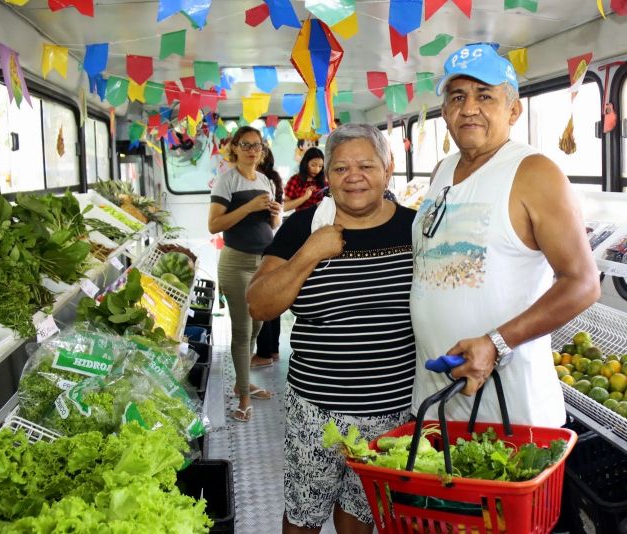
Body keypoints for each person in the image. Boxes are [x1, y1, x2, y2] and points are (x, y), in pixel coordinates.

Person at [410, 43, 600, 427]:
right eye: (457, 96)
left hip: (510, 409)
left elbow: (583, 283)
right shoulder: (441, 171)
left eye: (485, 96)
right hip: (437, 397)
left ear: (513, 109)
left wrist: (496, 343)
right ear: (444, 111)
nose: (469, 108)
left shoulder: (534, 173)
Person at [247, 123, 416, 534]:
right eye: (340, 168)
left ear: (388, 168)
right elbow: (259, 302)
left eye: (365, 165)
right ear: (328, 176)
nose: (353, 176)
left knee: (362, 512)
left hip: (391, 409)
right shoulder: (302, 228)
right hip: (315, 408)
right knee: (304, 515)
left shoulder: (417, 228)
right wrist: (310, 252)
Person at [208, 126, 281, 422]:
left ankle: (242, 381)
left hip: (263, 263)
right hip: (236, 263)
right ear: (235, 148)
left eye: (257, 145)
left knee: (257, 327)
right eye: (246, 145)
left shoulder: (265, 180)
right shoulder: (226, 181)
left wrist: (275, 214)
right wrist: (250, 206)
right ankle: (244, 398)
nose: (253, 150)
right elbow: (215, 225)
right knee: (241, 331)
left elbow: (271, 226)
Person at [253, 145, 284, 367]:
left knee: (261, 298)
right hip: (273, 239)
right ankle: (273, 350)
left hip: (260, 243)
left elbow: (272, 215)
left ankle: (264, 352)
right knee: (274, 297)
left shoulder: (260, 181)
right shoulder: (274, 180)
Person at [284, 147, 327, 212]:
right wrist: (304, 197)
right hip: (302, 219)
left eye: (320, 166)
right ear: (305, 163)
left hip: (322, 219)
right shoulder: (295, 180)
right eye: (313, 165)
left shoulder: (324, 181)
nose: (317, 169)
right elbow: (285, 207)